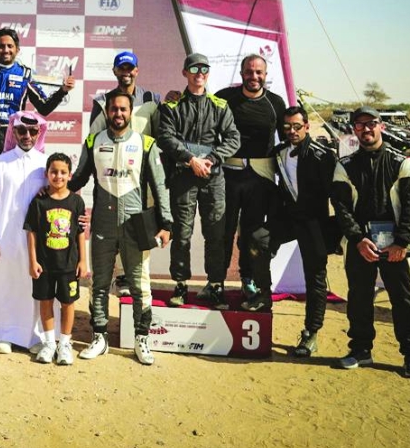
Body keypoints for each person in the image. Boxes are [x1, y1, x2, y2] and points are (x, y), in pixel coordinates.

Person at [69, 91, 173, 365]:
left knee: (139, 285)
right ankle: (99, 337)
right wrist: (57, 192)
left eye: (123, 109)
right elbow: (78, 177)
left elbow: (160, 186)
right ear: (107, 112)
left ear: (131, 112)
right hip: (103, 223)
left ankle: (142, 339)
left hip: (134, 225)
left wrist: (166, 224)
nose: (118, 114)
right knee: (100, 284)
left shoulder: (146, 143)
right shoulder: (94, 141)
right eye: (113, 109)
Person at [332, 106, 410, 379]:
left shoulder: (403, 162)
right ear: (354, 130)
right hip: (360, 245)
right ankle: (361, 351)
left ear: (381, 126)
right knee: (359, 299)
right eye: (359, 125)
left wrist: (401, 243)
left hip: (395, 247)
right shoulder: (344, 165)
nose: (366, 129)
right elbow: (340, 208)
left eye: (371, 123)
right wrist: (358, 239)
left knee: (403, 301)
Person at [157, 53, 240, 309]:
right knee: (181, 234)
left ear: (208, 73)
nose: (199, 73)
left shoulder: (220, 105)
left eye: (204, 68)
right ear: (185, 72)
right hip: (183, 177)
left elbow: (233, 139)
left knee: (215, 233)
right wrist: (191, 159)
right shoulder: (172, 106)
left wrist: (212, 159)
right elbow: (165, 137)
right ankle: (180, 285)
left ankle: (215, 286)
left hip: (213, 178)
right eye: (194, 68)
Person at [215, 54, 287, 309]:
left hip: (260, 178)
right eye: (249, 72)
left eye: (259, 72)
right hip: (229, 175)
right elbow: (200, 111)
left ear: (265, 75)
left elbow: (288, 137)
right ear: (242, 73)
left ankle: (248, 279)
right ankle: (217, 282)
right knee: (223, 231)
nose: (254, 76)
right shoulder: (224, 97)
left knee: (251, 233)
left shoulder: (276, 103)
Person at [0, 110, 51, 355]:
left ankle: (35, 336)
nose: (27, 136)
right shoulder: (0, 163)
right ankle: (4, 333)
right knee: (4, 285)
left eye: (33, 131)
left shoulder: (45, 165)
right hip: (5, 238)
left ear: (39, 132)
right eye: (22, 131)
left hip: (36, 242)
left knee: (34, 287)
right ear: (14, 132)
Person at [269, 106, 337, 356]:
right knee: (258, 241)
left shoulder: (323, 156)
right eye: (287, 127)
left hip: (314, 223)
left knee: (315, 278)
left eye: (297, 126)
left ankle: (311, 333)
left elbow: (337, 196)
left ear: (307, 127)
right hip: (289, 219)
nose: (292, 131)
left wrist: (337, 233)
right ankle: (260, 302)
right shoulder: (278, 153)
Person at [0, 27, 74, 165]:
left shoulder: (25, 75)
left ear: (17, 49)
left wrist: (63, 91)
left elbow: (44, 108)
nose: (6, 50)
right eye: (1, 46)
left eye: (10, 46)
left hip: (14, 134)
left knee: (13, 176)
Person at [25, 153, 88, 365]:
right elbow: (31, 232)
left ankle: (65, 344)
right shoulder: (39, 201)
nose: (58, 176)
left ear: (70, 175)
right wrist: (32, 261)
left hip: (68, 264)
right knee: (45, 301)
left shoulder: (77, 201)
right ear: (47, 174)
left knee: (68, 303)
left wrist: (83, 260)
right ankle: (49, 342)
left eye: (63, 172)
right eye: (54, 172)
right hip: (44, 264)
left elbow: (80, 232)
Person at [87, 51, 161, 137]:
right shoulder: (103, 101)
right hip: (114, 150)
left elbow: (160, 136)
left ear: (136, 71)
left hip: (144, 150)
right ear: (114, 71)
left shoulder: (151, 99)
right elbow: (94, 137)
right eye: (121, 68)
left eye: (130, 68)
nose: (126, 72)